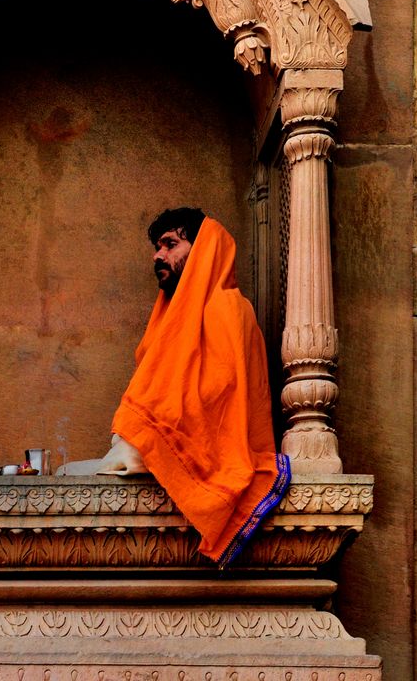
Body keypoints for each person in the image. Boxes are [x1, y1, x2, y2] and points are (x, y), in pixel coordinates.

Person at [96, 207, 290, 567]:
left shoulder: (228, 308)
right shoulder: (169, 322)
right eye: (157, 247)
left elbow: (218, 399)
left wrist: (155, 428)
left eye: (170, 244)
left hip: (200, 459)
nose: (158, 256)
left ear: (202, 249)